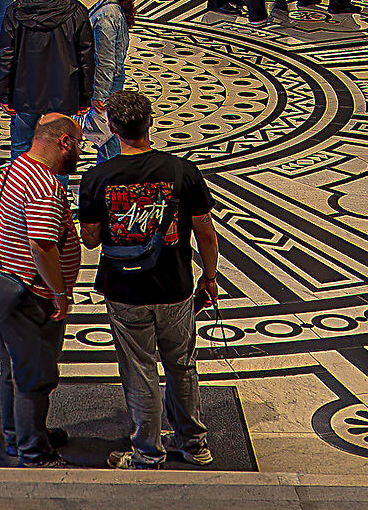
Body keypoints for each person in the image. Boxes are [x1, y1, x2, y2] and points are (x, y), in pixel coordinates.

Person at [76, 89, 219, 469]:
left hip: (125, 289)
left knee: (139, 369)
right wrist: (209, 275)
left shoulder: (98, 177)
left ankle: (147, 451)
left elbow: (90, 240)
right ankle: (194, 445)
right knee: (182, 365)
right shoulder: (181, 171)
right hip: (174, 285)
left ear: (111, 127)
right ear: (150, 123)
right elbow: (204, 230)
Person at [0, 112, 83, 467]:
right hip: (29, 295)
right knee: (35, 376)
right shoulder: (45, 185)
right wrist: (59, 292)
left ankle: (18, 434)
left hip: (0, 281)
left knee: (12, 369)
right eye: (78, 144)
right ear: (64, 142)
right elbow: (42, 246)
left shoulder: (16, 167)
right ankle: (35, 452)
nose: (79, 152)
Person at [0, 0, 94, 159]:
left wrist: (5, 94)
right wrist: (85, 96)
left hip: (24, 92)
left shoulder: (15, 10)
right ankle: (56, 191)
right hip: (64, 93)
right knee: (59, 150)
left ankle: (19, 189)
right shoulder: (77, 12)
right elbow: (86, 58)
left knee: (22, 148)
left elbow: (5, 56)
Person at [83, 0, 134, 164]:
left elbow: (105, 59)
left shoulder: (106, 15)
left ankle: (108, 178)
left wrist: (100, 94)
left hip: (108, 83)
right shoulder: (109, 6)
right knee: (107, 135)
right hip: (113, 79)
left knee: (106, 137)